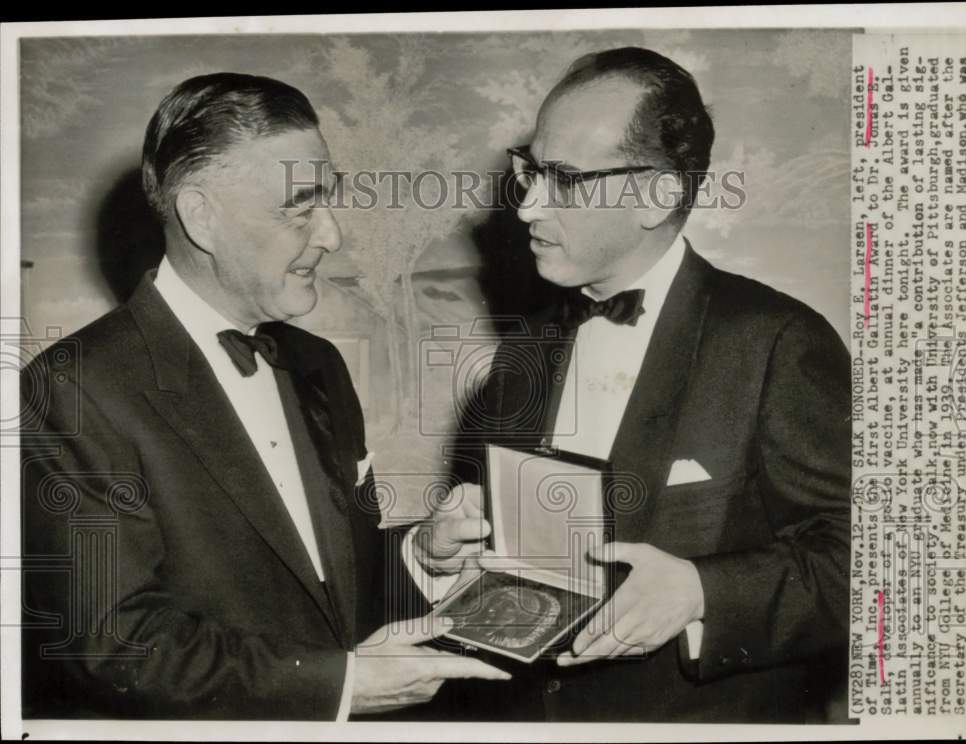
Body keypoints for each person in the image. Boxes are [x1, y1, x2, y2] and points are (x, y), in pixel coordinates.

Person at [20, 72, 508, 721]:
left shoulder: (318, 364)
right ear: (201, 216)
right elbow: (113, 646)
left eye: (326, 201)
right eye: (299, 207)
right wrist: (341, 686)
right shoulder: (73, 388)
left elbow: (319, 584)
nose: (332, 234)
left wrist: (415, 556)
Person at [410, 47, 850, 722]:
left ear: (657, 195)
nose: (527, 205)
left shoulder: (776, 344)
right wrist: (442, 556)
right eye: (530, 170)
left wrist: (703, 592)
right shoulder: (522, 351)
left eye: (564, 179)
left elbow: (879, 564)